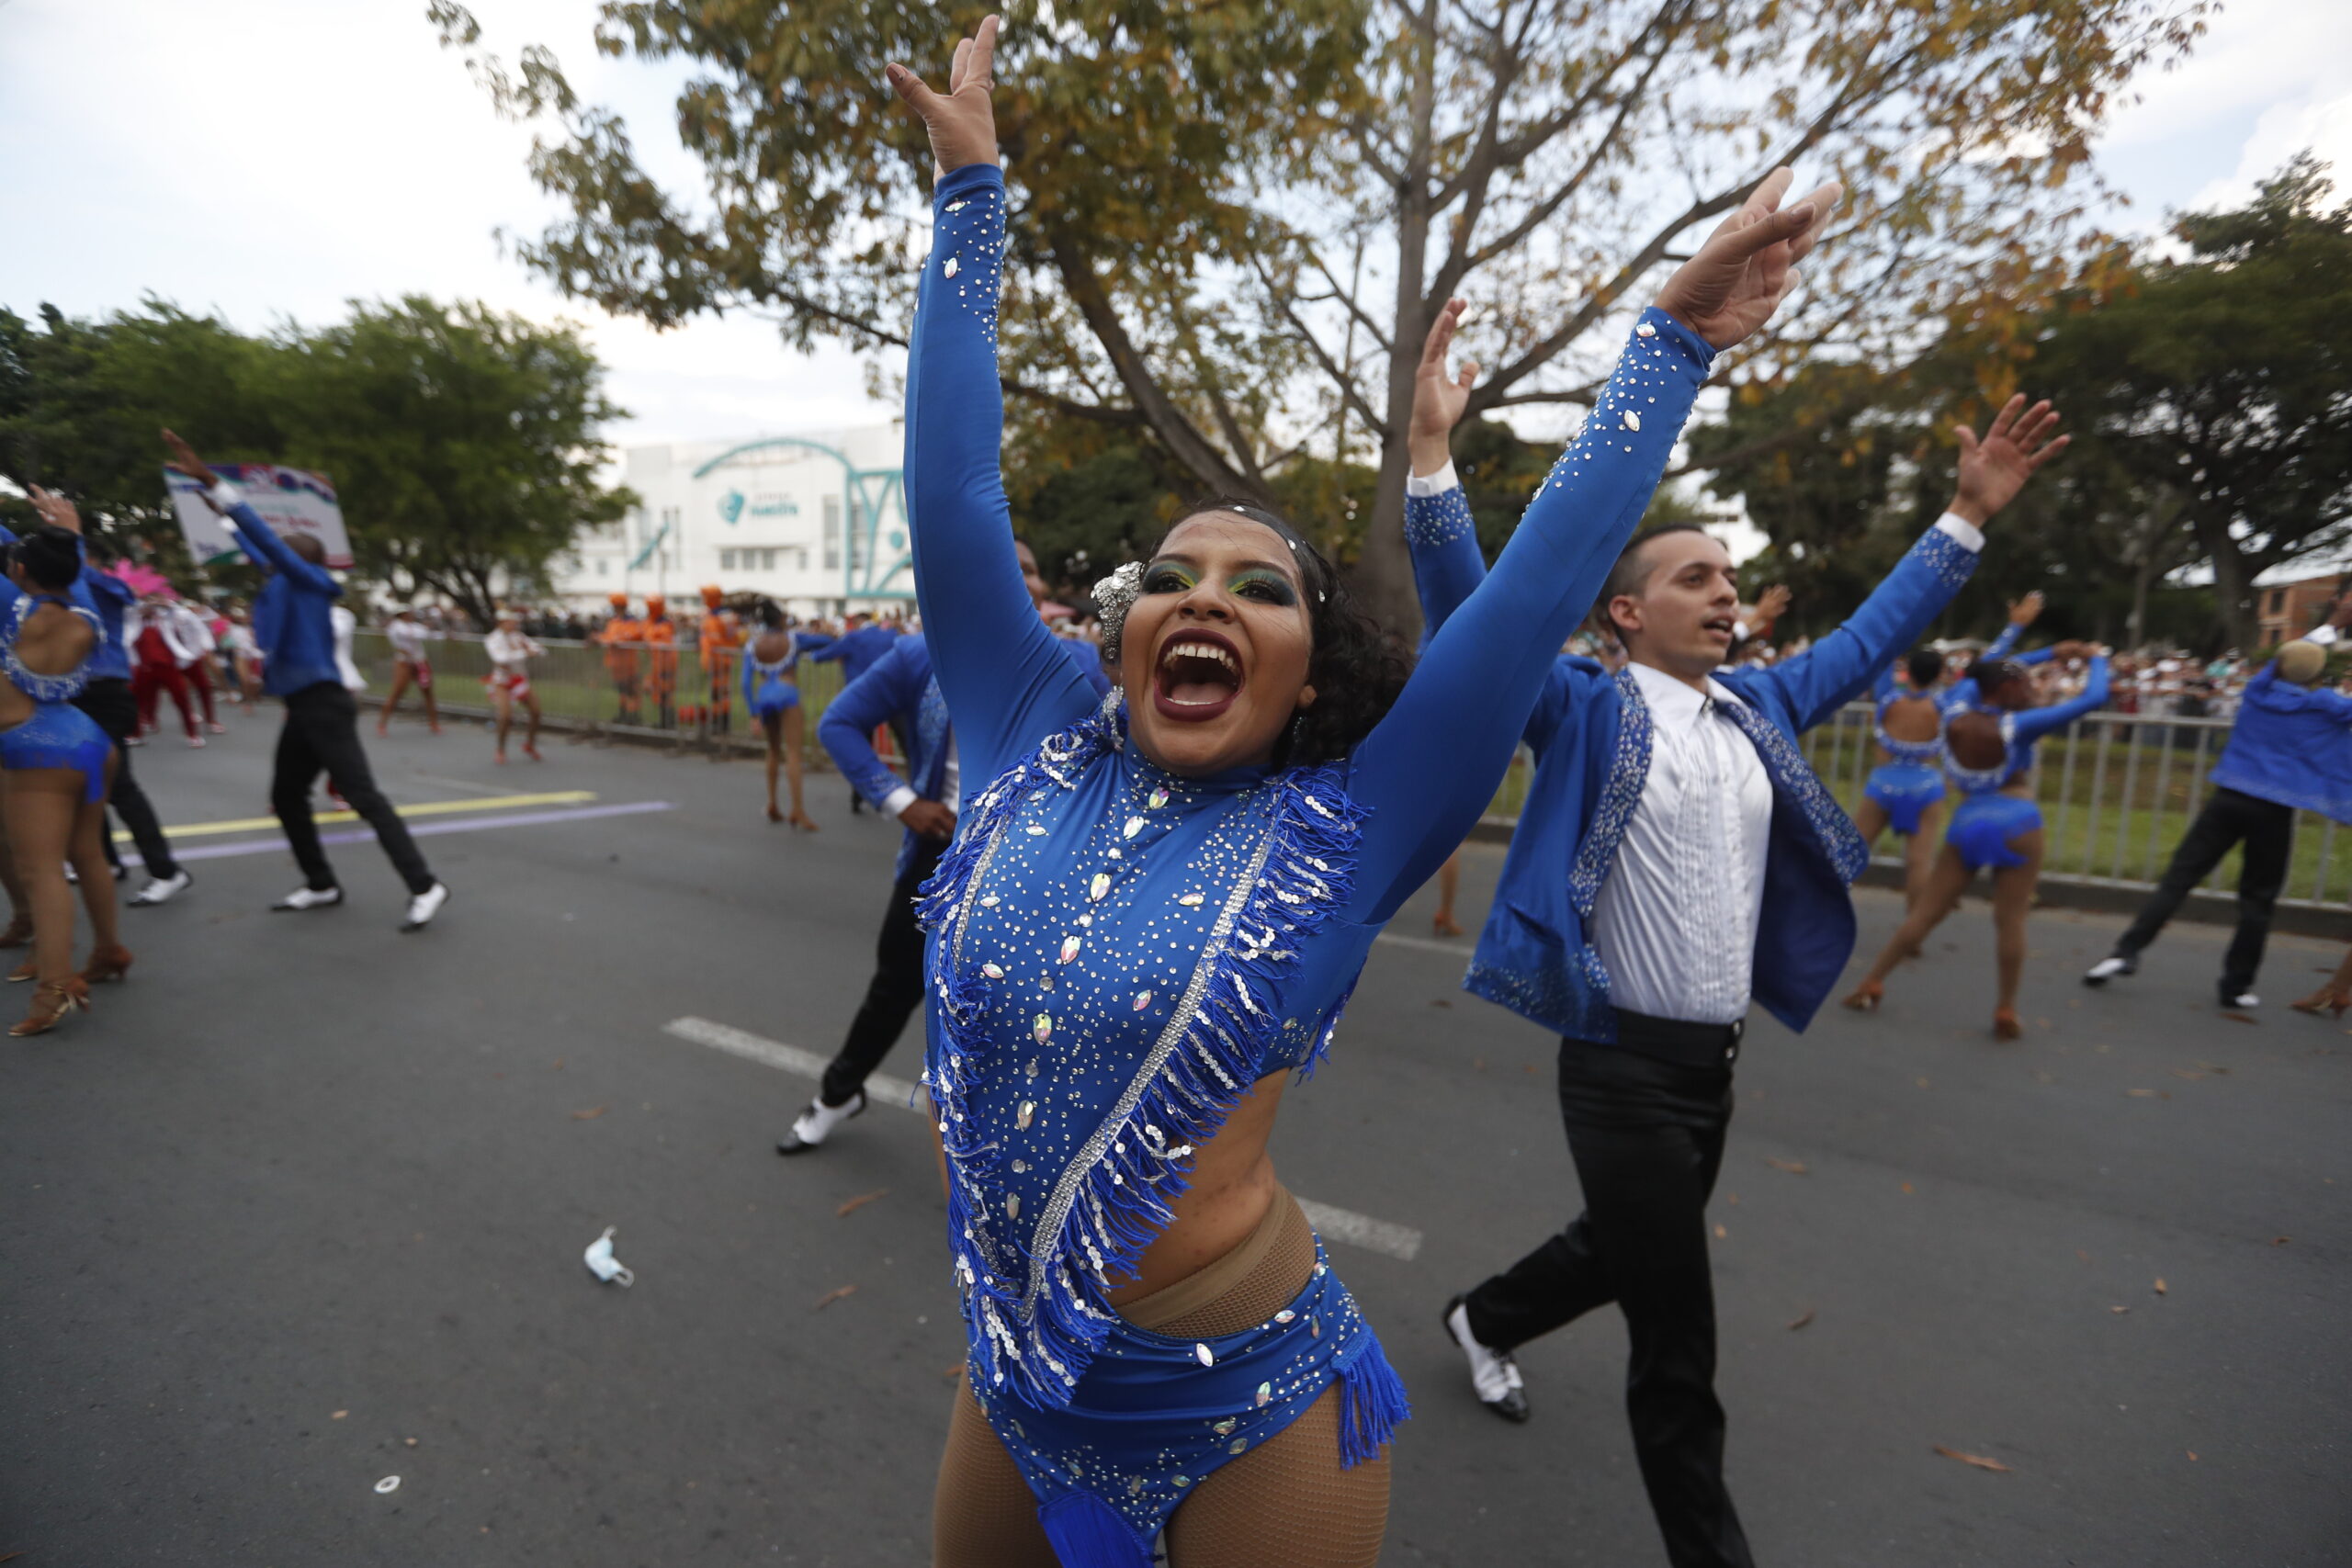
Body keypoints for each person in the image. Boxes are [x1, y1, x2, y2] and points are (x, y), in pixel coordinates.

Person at [889, 21, 1833, 1563]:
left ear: (1310, 671)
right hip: (1016, 1374)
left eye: (1258, 587)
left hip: (1252, 1411)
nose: (1203, 598)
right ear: (1124, 634)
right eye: (1171, 577)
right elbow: (953, 485)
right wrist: (972, 192)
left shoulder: (1346, 826)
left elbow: (1528, 600)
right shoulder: (1021, 733)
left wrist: (1669, 343)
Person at [1406, 270, 2064, 1565]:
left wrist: (1966, 515)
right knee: (1679, 1347)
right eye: (1693, 573)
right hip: (1619, 1068)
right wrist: (1431, 458)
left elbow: (1871, 639)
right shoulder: (1580, 706)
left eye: (1730, 577)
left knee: (1621, 1247)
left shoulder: (1762, 702)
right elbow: (1474, 620)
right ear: (1623, 610)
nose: (1723, 590)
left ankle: (1481, 1314)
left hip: (1713, 1065)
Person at [781, 548, 1107, 1156]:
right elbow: (839, 724)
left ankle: (1023, 1152)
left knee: (1027, 1011)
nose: (1023, 578)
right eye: (1005, 562)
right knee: (896, 985)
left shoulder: (1079, 665)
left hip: (1040, 875)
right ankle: (836, 1094)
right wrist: (901, 800)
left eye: (1033, 569)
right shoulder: (918, 655)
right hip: (939, 858)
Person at [162, 431, 449, 931]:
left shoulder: (315, 582)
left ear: (304, 561)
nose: (274, 556)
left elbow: (269, 542)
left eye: (286, 552)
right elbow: (258, 546)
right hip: (303, 705)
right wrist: (220, 513)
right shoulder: (281, 583)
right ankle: (320, 883)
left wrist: (220, 485)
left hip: (324, 703)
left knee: (364, 798)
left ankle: (425, 885)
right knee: (289, 796)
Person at [2086, 601, 2352, 1010]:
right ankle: (2236, 986)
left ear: (2277, 666)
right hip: (2273, 811)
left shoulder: (2258, 691)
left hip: (2227, 798)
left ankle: (2124, 951)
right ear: (2316, 675)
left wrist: (2330, 625)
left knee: (2178, 880)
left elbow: (2289, 660)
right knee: (2257, 900)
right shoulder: (2325, 707)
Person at [1845, 645, 2110, 1036]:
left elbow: (1980, 673)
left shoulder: (1952, 709)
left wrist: (2045, 651)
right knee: (2010, 921)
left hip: (1967, 822)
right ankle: (2005, 1008)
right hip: (2019, 822)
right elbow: (2095, 697)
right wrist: (2096, 658)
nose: (2030, 689)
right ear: (2003, 688)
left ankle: (1872, 981)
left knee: (1925, 914)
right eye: (2022, 683)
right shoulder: (2018, 726)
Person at [0, 494, 130, 1034]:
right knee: (88, 853)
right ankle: (108, 950)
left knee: (43, 870)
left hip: (34, 751)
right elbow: (69, 574)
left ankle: (54, 989)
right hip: (91, 741)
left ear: (21, 570)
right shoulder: (85, 615)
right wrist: (70, 532)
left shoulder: (11, 611)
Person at [1853, 592, 2041, 912]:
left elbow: (1884, 653)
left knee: (1850, 854)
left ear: (1907, 670)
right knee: (1919, 863)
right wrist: (2013, 628)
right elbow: (1985, 667)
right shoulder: (1945, 702)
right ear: (1941, 674)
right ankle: (1912, 932)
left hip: (1882, 784)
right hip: (1926, 786)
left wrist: (1897, 616)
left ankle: (1813, 918)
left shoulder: (1887, 697)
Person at [70, 541, 192, 908]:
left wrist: (71, 539)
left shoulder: (105, 587)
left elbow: (122, 593)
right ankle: (105, 861)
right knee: (83, 785)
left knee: (119, 786)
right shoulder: (55, 591)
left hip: (107, 695)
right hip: (75, 698)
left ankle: (167, 871)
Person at [807, 610, 907, 812]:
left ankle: (860, 796)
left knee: (861, 747)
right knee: (906, 743)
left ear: (859, 622)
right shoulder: (890, 635)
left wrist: (813, 653)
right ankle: (920, 789)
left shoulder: (853, 638)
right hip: (893, 696)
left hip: (863, 701)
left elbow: (822, 656)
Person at [741, 604, 831, 829]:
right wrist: (825, 631)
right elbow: (826, 642)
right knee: (793, 753)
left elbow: (744, 682)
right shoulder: (793, 640)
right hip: (787, 692)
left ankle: (772, 803)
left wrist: (753, 711)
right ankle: (797, 810)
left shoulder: (753, 644)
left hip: (764, 695)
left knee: (772, 750)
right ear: (781, 618)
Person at [130, 594, 202, 746]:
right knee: (138, 702)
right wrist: (142, 606)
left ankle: (192, 735)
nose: (150, 607)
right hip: (145, 668)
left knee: (181, 700)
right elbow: (130, 611)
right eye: (147, 603)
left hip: (168, 668)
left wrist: (168, 604)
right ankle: (136, 734)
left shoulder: (167, 620)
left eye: (153, 604)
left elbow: (188, 618)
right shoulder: (135, 622)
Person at [484, 609, 546, 764]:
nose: (514, 624)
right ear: (501, 622)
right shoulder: (492, 639)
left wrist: (533, 650)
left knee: (536, 711)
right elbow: (500, 658)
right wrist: (525, 652)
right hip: (502, 682)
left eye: (514, 621)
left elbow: (540, 650)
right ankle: (501, 748)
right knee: (505, 716)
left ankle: (529, 745)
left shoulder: (518, 636)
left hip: (519, 680)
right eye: (510, 621)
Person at [378, 605, 442, 735]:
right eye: (408, 613)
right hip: (404, 662)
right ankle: (382, 724)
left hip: (420, 661)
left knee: (428, 691)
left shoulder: (414, 626)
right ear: (402, 614)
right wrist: (425, 629)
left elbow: (428, 634)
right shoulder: (395, 627)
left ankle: (434, 723)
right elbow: (408, 636)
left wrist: (441, 633)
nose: (411, 615)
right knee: (397, 692)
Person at [170, 597, 225, 734]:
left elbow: (202, 631)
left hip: (192, 658)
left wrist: (206, 647)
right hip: (173, 660)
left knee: (204, 687)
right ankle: (190, 713)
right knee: (180, 690)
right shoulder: (162, 616)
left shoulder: (188, 616)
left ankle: (211, 720)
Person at [695, 585, 741, 735]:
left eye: (705, 596)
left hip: (722, 662)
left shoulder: (725, 616)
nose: (703, 600)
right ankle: (716, 723)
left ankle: (723, 725)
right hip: (712, 662)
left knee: (722, 694)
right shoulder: (710, 615)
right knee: (715, 694)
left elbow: (730, 638)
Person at [598, 593, 644, 725]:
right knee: (621, 692)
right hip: (616, 664)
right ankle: (623, 715)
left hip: (629, 664)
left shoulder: (632, 622)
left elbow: (633, 636)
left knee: (631, 692)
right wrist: (599, 639)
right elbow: (608, 637)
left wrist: (615, 640)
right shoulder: (614, 622)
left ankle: (634, 717)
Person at [641, 595, 680, 728]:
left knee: (666, 694)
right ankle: (663, 722)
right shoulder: (649, 623)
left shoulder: (665, 624)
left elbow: (665, 643)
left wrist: (649, 643)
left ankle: (668, 723)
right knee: (657, 693)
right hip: (656, 664)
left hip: (666, 664)